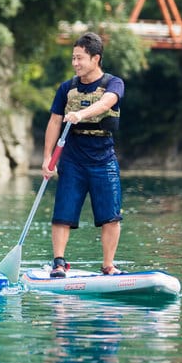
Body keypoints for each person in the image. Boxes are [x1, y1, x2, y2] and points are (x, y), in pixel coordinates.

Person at [41, 31, 124, 277]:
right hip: (73, 160)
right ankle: (59, 262)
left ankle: (108, 265)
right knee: (62, 215)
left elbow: (107, 102)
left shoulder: (113, 83)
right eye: (73, 58)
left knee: (111, 216)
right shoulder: (67, 88)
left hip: (103, 158)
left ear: (95, 59)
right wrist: (47, 157)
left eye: (80, 58)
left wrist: (81, 115)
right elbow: (54, 122)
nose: (75, 63)